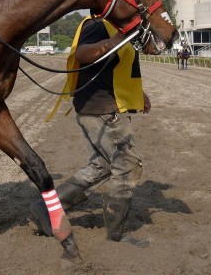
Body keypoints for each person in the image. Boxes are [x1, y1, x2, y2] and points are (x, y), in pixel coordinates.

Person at [30, 15, 151, 244]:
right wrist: (112, 41)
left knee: (101, 166)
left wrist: (139, 93)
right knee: (127, 166)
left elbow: (116, 68)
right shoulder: (98, 24)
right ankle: (118, 234)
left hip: (100, 107)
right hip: (103, 109)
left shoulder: (110, 26)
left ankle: (46, 209)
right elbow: (82, 53)